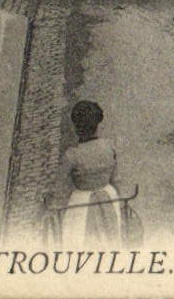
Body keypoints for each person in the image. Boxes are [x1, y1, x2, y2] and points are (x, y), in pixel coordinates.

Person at [49, 99, 128, 244]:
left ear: (76, 127)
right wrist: (121, 202)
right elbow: (116, 179)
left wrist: (52, 204)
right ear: (97, 124)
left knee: (77, 240)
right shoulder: (109, 147)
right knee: (110, 239)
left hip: (82, 202)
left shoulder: (72, 155)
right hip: (109, 197)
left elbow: (58, 185)